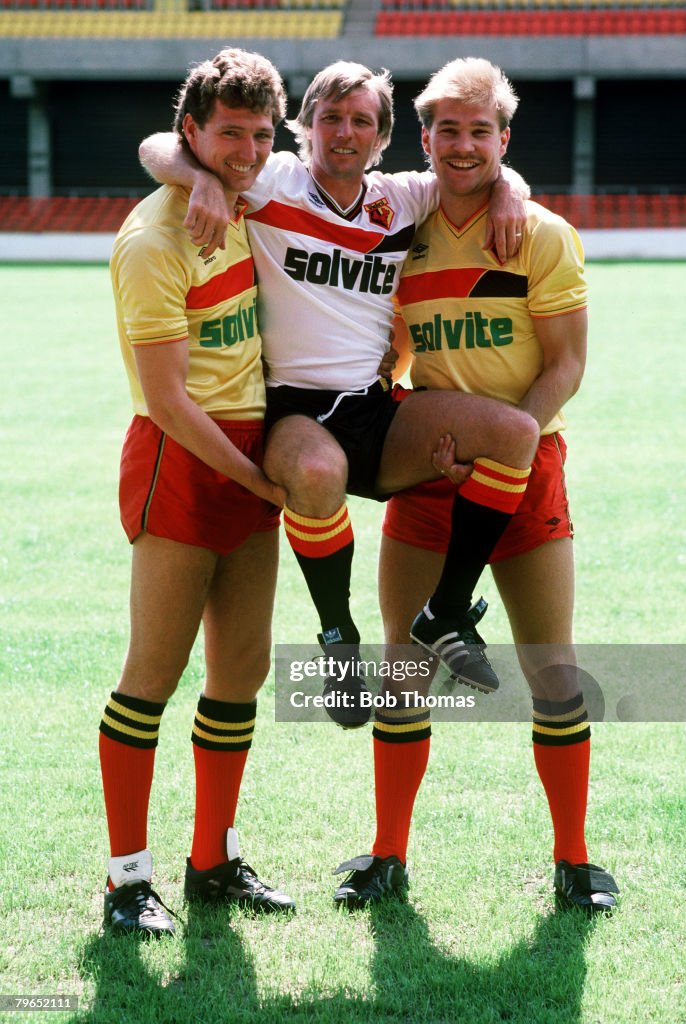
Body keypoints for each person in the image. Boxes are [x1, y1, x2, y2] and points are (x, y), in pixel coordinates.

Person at [138, 61, 540, 724]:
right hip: (294, 409)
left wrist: (506, 195)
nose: (344, 132)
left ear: (382, 138)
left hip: (373, 406)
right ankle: (337, 638)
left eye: (360, 121)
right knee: (318, 474)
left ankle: (443, 611)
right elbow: (158, 145)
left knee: (513, 434)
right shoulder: (271, 181)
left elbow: (496, 165)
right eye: (330, 117)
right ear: (304, 128)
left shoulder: (405, 197)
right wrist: (199, 179)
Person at [332, 57, 619, 912]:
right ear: (424, 140)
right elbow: (387, 353)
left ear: (503, 138)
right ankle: (387, 855)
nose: (463, 145)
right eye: (446, 130)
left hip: (524, 472)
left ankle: (573, 861)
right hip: (430, 468)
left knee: (552, 671)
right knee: (403, 669)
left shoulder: (539, 233)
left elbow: (565, 365)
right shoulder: (397, 228)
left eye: (479, 130)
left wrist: (509, 449)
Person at [101, 47, 296, 938]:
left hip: (250, 455)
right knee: (153, 676)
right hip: (188, 459)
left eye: (261, 134)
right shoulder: (152, 239)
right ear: (194, 132)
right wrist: (261, 480)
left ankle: (212, 861)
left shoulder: (254, 194)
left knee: (241, 674)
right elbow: (172, 403)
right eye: (229, 134)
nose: (247, 150)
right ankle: (125, 881)